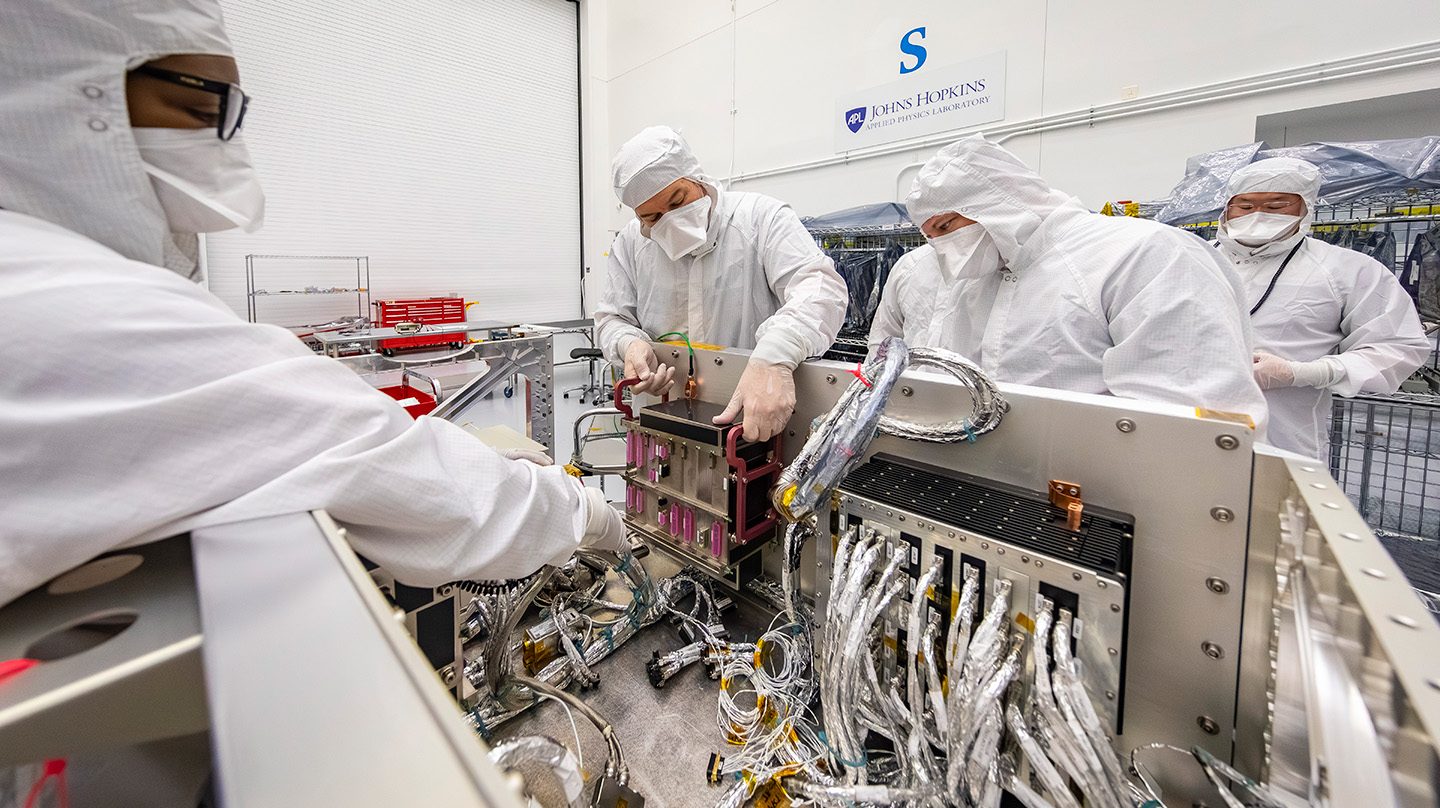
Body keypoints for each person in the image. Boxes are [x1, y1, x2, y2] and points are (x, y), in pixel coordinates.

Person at [0, 0, 624, 609]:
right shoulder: (62, 302)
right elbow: (397, 472)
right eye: (199, 106)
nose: (227, 150)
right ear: (61, 93)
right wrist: (587, 512)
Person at [875, 135, 1268, 431]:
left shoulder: (1144, 255)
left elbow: (1189, 423)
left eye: (947, 226)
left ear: (998, 203)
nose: (942, 246)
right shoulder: (969, 278)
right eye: (930, 236)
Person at [596, 126, 847, 442]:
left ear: (697, 178)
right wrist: (629, 344)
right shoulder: (632, 243)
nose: (669, 220)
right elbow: (612, 319)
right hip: (662, 415)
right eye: (652, 217)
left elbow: (821, 288)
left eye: (677, 201)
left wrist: (776, 354)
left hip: (751, 418)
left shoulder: (760, 218)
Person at [1216, 157, 1429, 459]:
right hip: (1174, 427)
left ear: (1305, 210)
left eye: (1276, 207)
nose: (1259, 215)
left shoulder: (1347, 269)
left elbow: (1398, 347)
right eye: (1245, 207)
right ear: (1227, 210)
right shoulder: (1191, 259)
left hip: (1282, 441)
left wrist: (1301, 373)